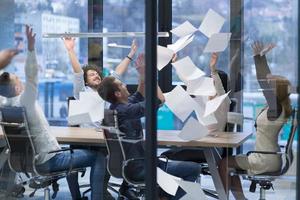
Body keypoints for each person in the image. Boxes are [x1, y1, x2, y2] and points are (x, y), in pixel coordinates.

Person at [0, 25, 107, 200]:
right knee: (98, 157)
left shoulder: (4, 105)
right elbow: (33, 74)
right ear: (18, 87)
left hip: (30, 161)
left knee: (72, 151)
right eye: (19, 79)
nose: (23, 80)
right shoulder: (25, 101)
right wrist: (31, 49)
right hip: (48, 161)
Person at [98, 53, 200, 200]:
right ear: (118, 93)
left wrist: (143, 73)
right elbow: (159, 99)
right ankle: (164, 197)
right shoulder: (126, 111)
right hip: (141, 167)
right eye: (121, 85)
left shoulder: (118, 108)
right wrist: (150, 73)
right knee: (194, 169)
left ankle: (159, 195)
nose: (125, 85)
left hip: (134, 164)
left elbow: (140, 92)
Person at [63, 37, 137, 199]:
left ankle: (110, 191)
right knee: (105, 155)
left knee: (131, 151)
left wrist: (131, 54)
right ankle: (92, 195)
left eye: (97, 74)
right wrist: (70, 50)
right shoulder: (82, 92)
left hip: (105, 138)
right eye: (91, 75)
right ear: (85, 81)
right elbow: (77, 73)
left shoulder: (107, 93)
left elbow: (118, 72)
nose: (96, 76)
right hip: (87, 141)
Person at [218, 41, 292, 200]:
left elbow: (262, 80)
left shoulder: (275, 108)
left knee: (224, 164)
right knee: (229, 167)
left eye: (272, 85)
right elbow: (266, 79)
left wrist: (258, 58)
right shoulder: (278, 108)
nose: (268, 84)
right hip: (269, 157)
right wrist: (261, 58)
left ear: (275, 92)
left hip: (264, 159)